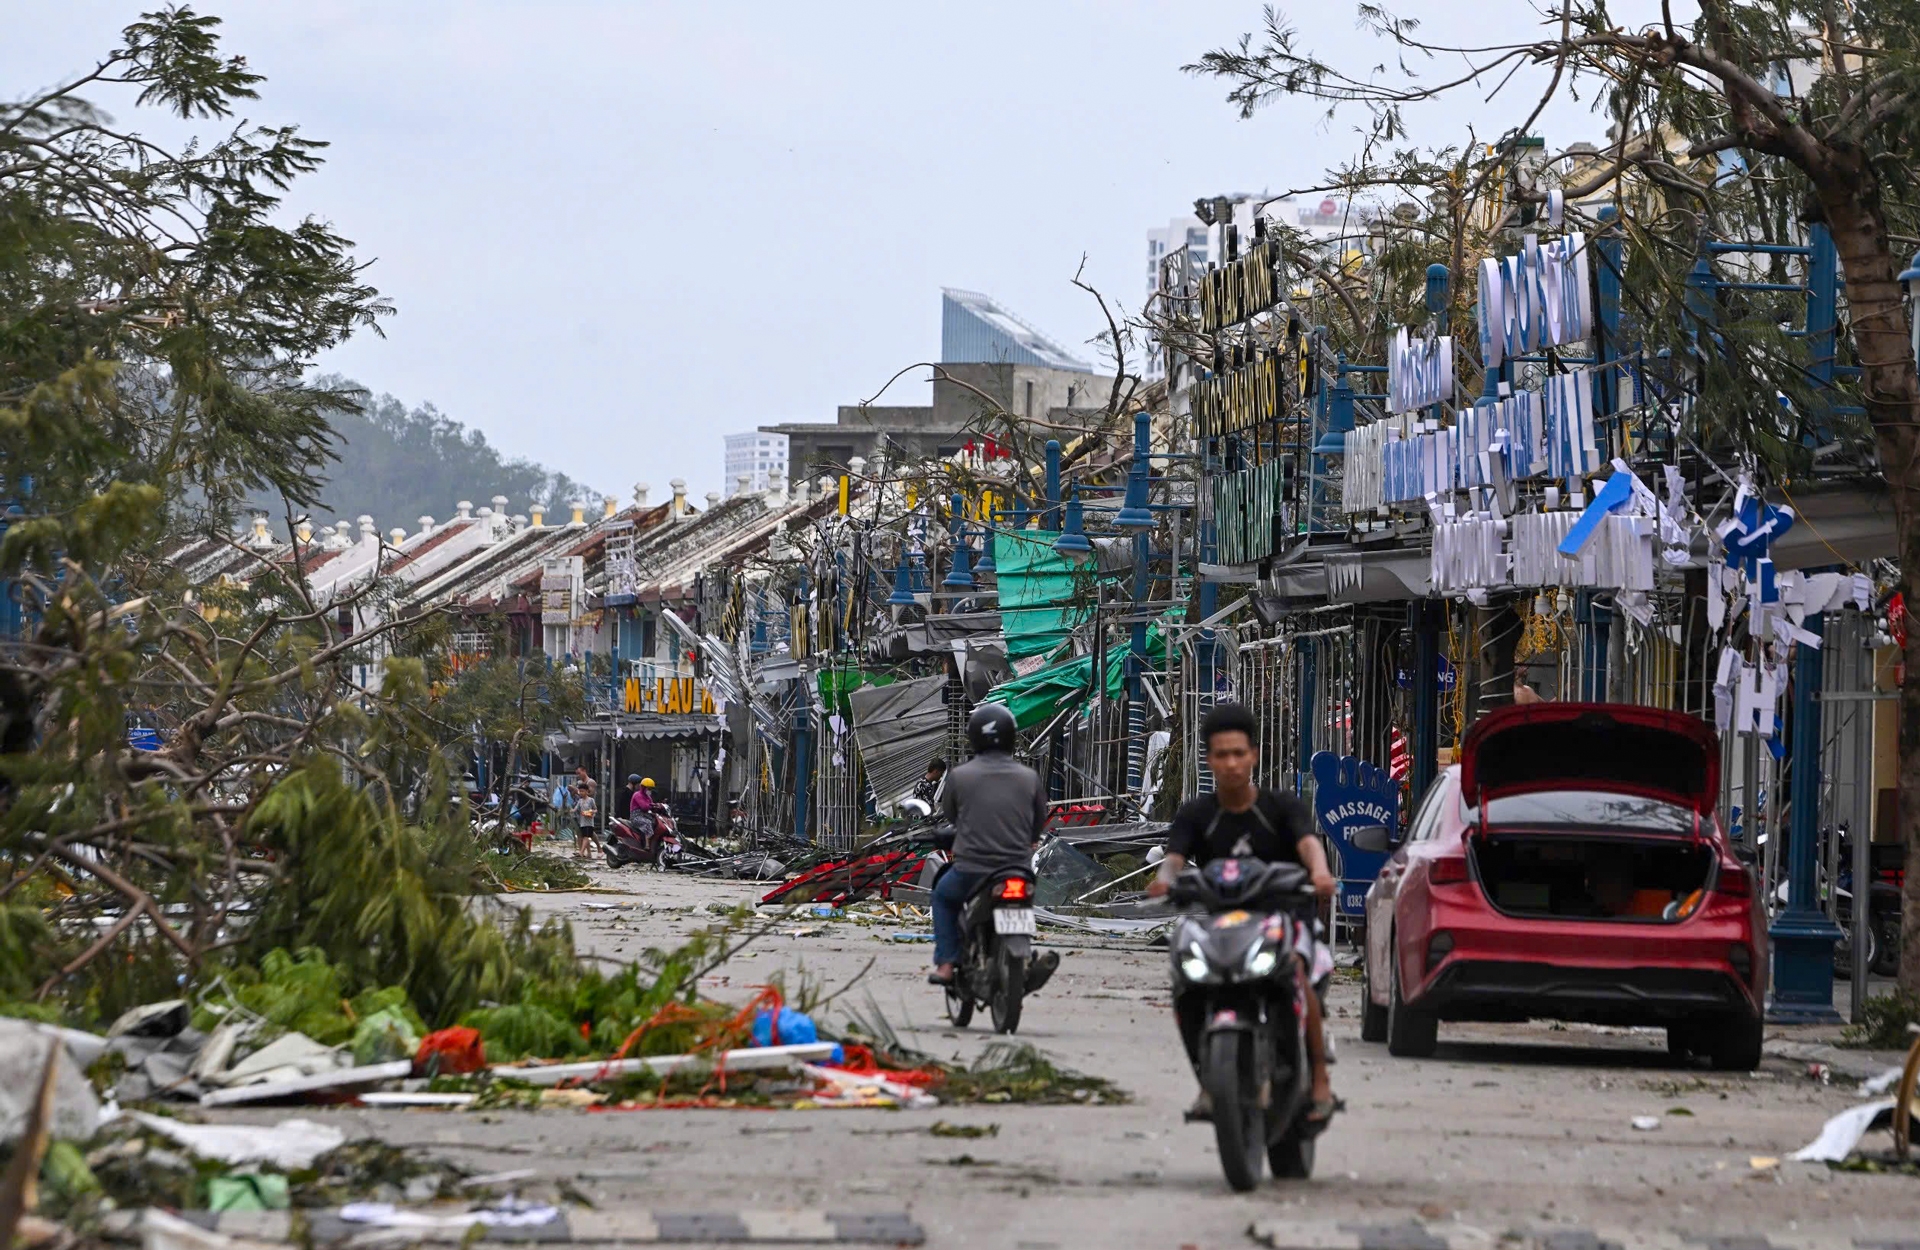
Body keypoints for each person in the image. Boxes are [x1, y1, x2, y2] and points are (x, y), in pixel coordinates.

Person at [1147, 703, 1341, 1126]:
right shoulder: (1197, 813)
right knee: (1186, 984)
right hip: (1220, 927)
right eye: (1221, 755)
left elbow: (1309, 844)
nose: (1231, 763)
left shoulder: (1281, 806)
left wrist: (1321, 872)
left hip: (1284, 919)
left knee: (1297, 973)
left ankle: (1321, 1080)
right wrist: (1164, 881)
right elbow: (1174, 858)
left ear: (1253, 754)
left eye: (1238, 753)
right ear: (1209, 759)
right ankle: (1208, 1081)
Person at [929, 706, 1046, 987]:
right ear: (1010, 737)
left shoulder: (959, 776)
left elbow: (954, 816)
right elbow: (1038, 820)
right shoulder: (1029, 777)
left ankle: (946, 963)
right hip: (1018, 869)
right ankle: (1025, 958)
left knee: (943, 897)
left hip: (972, 869)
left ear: (974, 738)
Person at [574, 774, 598, 861]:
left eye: (583, 791)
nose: (581, 793)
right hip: (582, 822)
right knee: (584, 837)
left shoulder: (591, 800)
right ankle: (588, 853)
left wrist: (591, 812)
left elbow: (595, 809)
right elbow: (575, 809)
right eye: (580, 791)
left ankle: (581, 852)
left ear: (587, 791)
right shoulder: (580, 801)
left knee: (586, 837)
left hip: (589, 822)